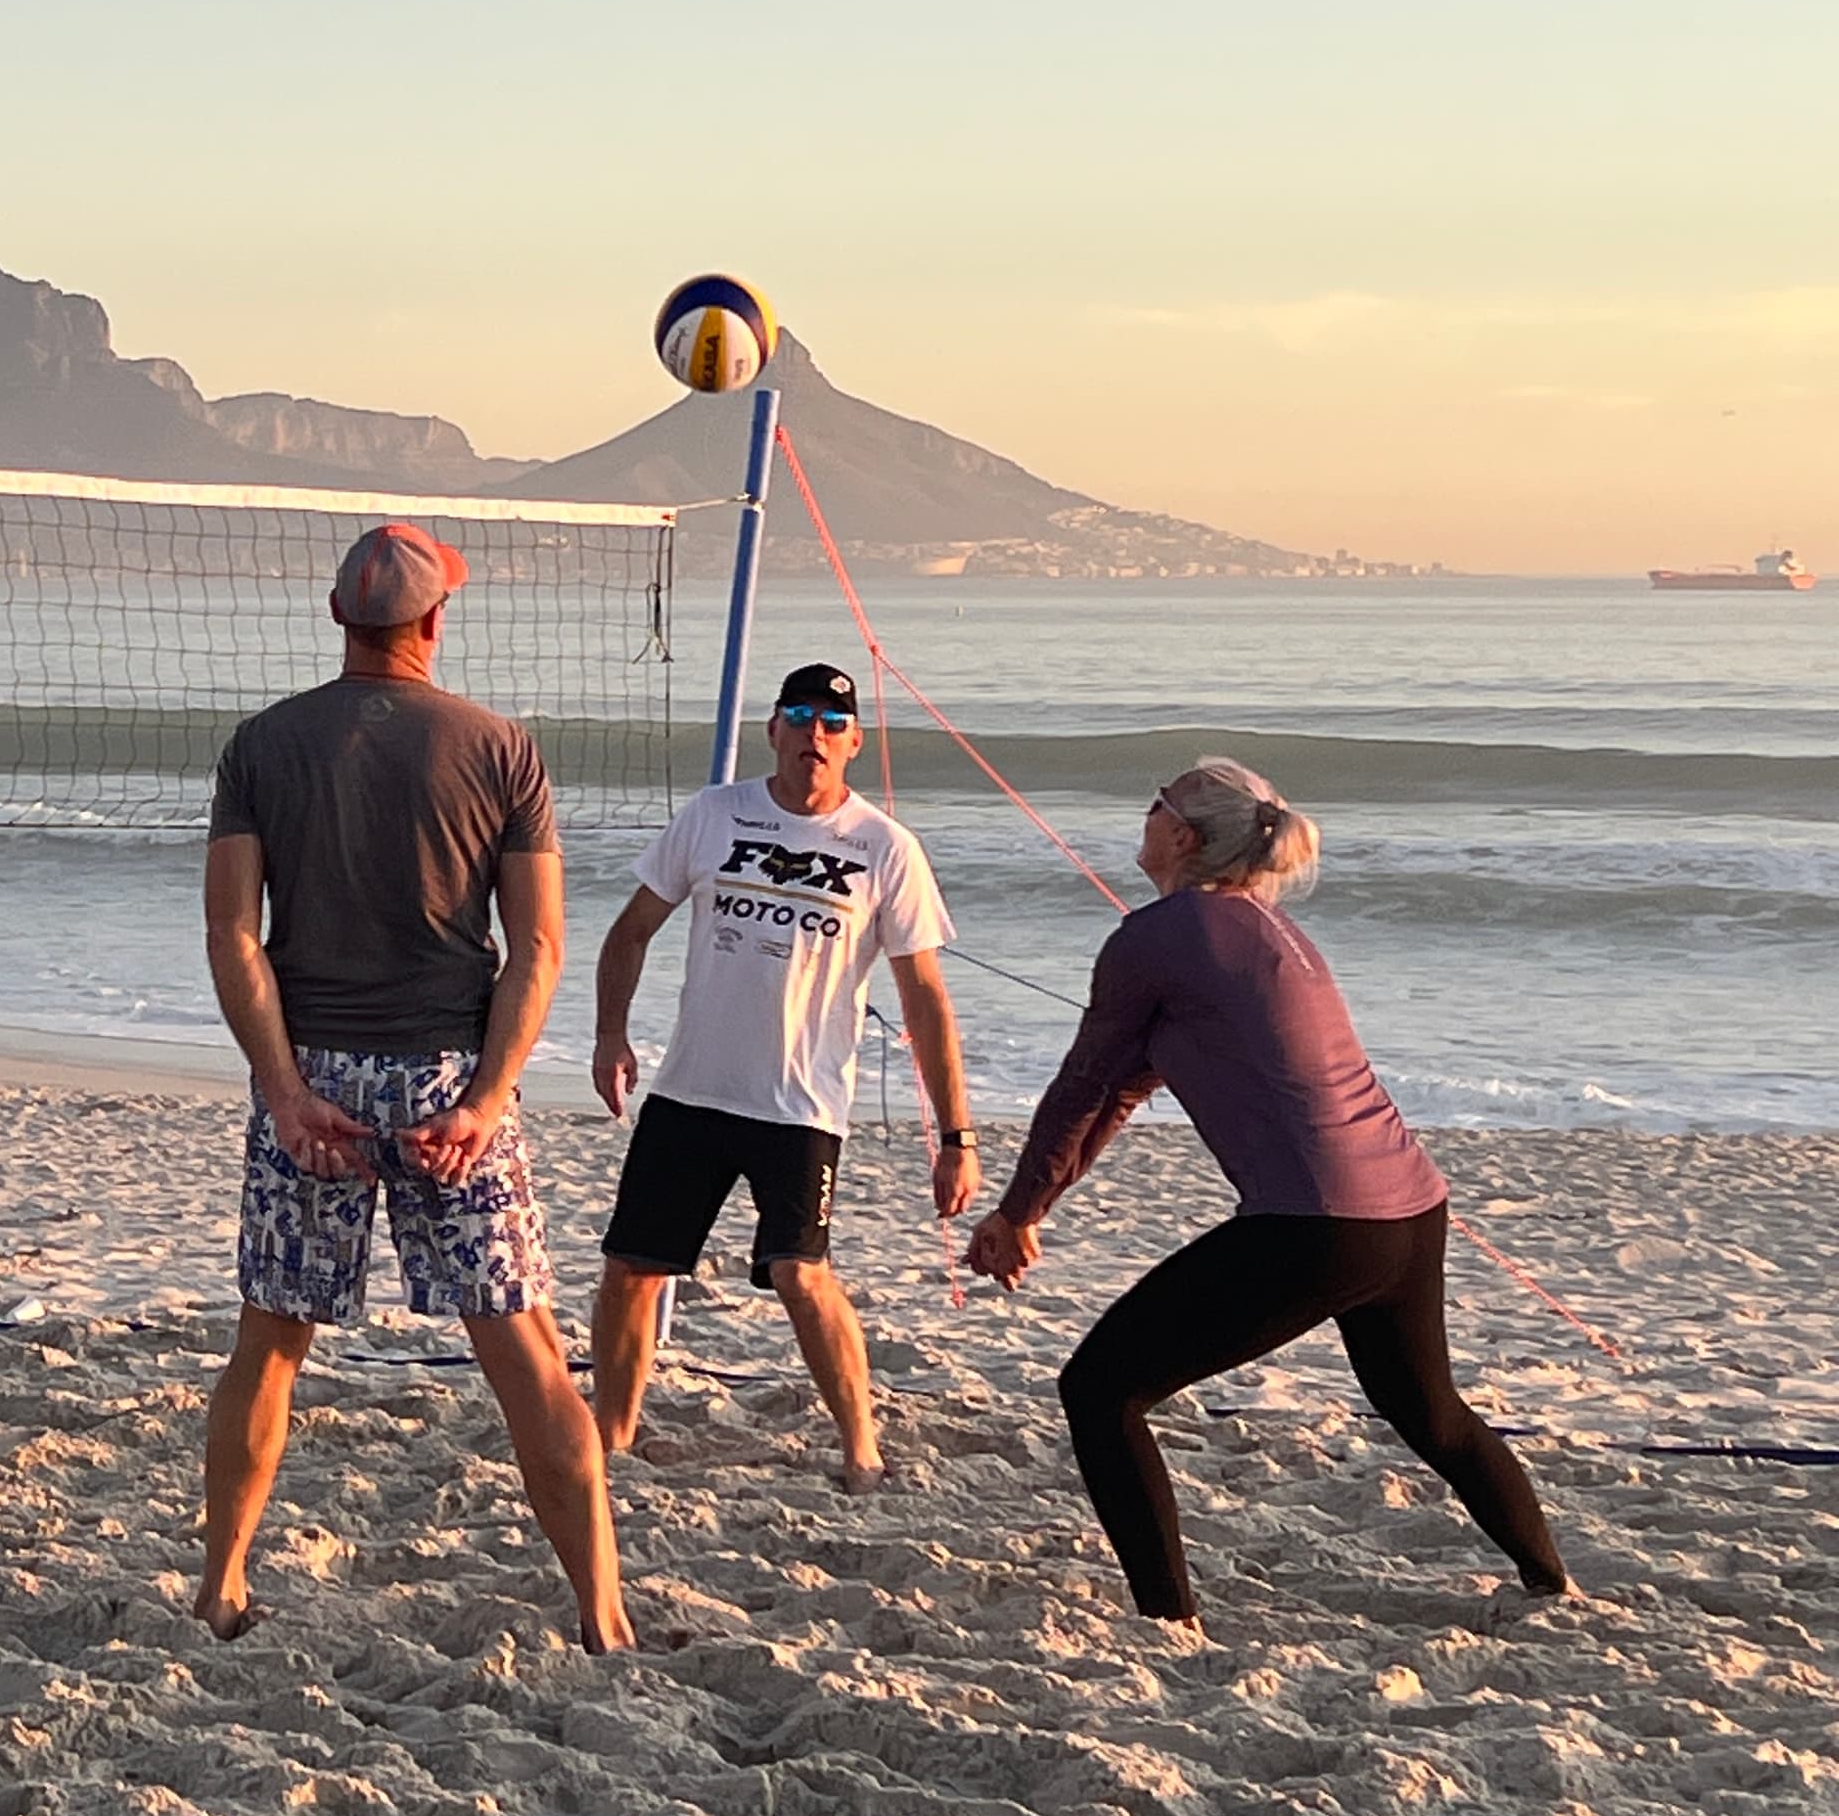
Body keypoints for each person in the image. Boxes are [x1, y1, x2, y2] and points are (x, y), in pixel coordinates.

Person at [966, 759, 1572, 1625]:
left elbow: (1079, 1089)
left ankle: (1167, 1622)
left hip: (1314, 1226)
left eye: (1154, 805)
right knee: (1429, 1413)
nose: (1143, 816)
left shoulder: (1158, 936)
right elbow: (1122, 1090)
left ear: (1181, 835)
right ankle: (1551, 1583)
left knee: (1101, 1390)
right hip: (1408, 1213)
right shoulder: (1264, 928)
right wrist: (1029, 1209)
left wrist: (1020, 1210)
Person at [196, 520, 632, 1652]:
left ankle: (224, 1588)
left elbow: (233, 936)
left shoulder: (262, 745)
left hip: (318, 1073)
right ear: (437, 621)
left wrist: (285, 1091)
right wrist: (488, 1101)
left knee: (272, 1343)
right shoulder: (500, 748)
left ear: (338, 613)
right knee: (524, 1350)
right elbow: (537, 950)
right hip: (449, 1079)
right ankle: (602, 1617)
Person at [587, 663, 976, 1489]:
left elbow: (927, 1001)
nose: (815, 736)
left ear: (855, 742)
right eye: (800, 717)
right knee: (631, 1268)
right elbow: (628, 932)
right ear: (773, 729)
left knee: (801, 1275)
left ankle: (860, 1444)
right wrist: (610, 1035)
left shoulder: (884, 848)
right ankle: (610, 1437)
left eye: (833, 723)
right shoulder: (714, 814)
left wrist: (955, 1136)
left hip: (799, 1106)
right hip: (691, 1089)